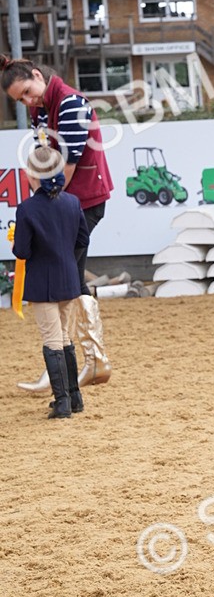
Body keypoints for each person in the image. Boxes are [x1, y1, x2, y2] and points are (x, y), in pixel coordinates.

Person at [1, 57, 113, 390]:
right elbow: (44, 157)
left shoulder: (70, 103)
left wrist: (42, 209)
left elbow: (66, 165)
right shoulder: (44, 109)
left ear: (37, 75)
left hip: (79, 203)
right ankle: (83, 364)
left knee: (68, 280)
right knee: (69, 278)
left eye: (26, 92)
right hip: (68, 204)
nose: (27, 102)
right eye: (20, 100)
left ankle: (77, 366)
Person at [11, 146, 89, 418]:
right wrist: (66, 258)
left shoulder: (27, 209)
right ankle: (75, 397)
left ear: (31, 177)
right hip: (69, 279)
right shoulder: (73, 202)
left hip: (42, 285)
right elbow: (83, 240)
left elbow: (22, 252)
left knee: (52, 339)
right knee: (66, 338)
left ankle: (62, 403)